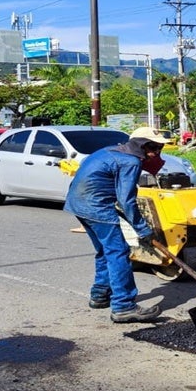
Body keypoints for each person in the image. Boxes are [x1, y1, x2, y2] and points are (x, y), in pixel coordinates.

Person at [63, 127, 169, 324]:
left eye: (160, 148)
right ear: (143, 146)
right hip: (96, 207)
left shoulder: (111, 151)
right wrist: (144, 230)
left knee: (105, 250)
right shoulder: (130, 161)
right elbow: (127, 201)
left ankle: (100, 294)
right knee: (119, 251)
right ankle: (123, 306)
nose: (157, 152)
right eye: (155, 147)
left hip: (78, 203)